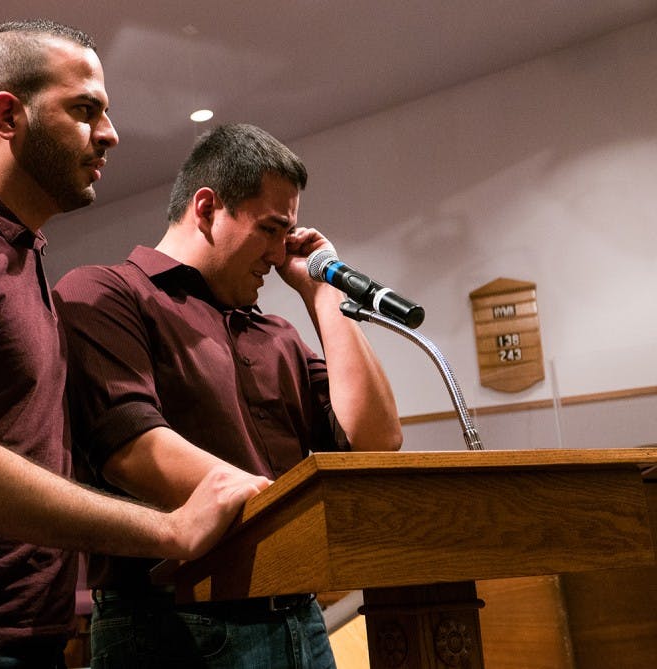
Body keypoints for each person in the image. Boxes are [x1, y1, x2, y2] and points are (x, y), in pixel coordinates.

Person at [0, 23, 269, 669]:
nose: (111, 133)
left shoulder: (20, 254)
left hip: (16, 635)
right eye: (86, 109)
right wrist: (169, 529)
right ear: (9, 114)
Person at [53, 123, 404, 668]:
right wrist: (275, 509)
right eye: (270, 228)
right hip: (170, 621)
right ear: (207, 207)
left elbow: (377, 441)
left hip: (297, 615)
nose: (278, 251)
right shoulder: (107, 293)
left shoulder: (277, 334)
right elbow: (130, 449)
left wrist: (322, 293)